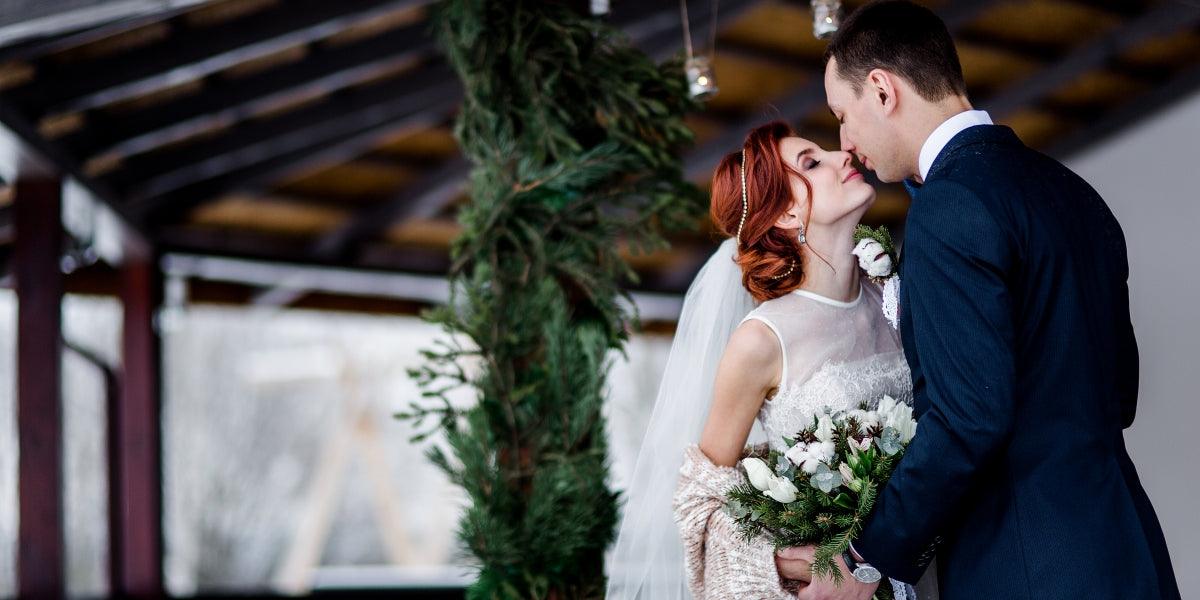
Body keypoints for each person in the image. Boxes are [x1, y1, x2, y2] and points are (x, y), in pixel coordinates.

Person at [780, 2, 1181, 598]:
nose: (846, 141)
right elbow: (1120, 391)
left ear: (882, 90)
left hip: (1026, 567)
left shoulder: (947, 207)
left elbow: (969, 417)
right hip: (1128, 549)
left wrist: (865, 560)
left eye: (843, 115)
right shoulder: (1076, 194)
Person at [605, 120, 935, 599]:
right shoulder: (762, 340)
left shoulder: (897, 293)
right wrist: (781, 561)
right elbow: (701, 499)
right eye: (811, 163)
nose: (842, 155)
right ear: (784, 213)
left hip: (936, 566)